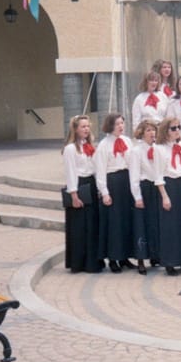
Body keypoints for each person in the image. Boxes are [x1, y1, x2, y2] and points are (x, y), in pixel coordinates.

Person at [93, 113, 137, 273]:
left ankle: (124, 257)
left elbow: (132, 163)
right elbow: (100, 171)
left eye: (122, 123)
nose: (121, 126)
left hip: (126, 182)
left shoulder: (127, 141)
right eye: (117, 123)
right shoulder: (104, 145)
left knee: (126, 221)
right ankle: (113, 259)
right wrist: (104, 192)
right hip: (113, 183)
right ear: (110, 125)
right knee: (113, 223)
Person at [154, 116, 181, 275]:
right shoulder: (159, 148)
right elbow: (158, 174)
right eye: (173, 128)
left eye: (179, 127)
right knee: (170, 226)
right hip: (168, 185)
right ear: (166, 130)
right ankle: (170, 262)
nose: (177, 130)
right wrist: (164, 196)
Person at [62, 115, 102, 273]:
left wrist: (98, 188)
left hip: (90, 184)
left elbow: (95, 169)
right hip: (78, 186)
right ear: (75, 129)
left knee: (91, 225)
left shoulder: (90, 146)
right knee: (79, 227)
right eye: (82, 127)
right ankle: (78, 262)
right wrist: (73, 194)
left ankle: (92, 262)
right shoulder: (70, 149)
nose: (86, 129)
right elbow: (70, 171)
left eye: (87, 126)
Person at [133, 119, 161, 267]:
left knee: (155, 223)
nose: (152, 133)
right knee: (142, 224)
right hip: (144, 187)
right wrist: (137, 196)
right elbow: (134, 175)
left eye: (153, 130)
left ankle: (155, 255)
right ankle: (141, 259)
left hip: (156, 187)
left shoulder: (158, 148)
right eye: (148, 130)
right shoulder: (137, 151)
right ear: (142, 133)